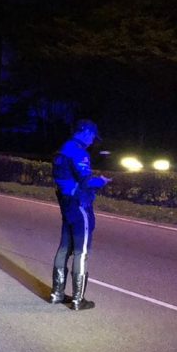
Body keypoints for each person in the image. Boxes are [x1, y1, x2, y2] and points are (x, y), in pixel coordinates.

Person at [49, 119, 111, 311]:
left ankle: (57, 294)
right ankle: (78, 299)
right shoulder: (78, 151)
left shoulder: (62, 150)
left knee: (64, 248)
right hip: (80, 205)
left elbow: (62, 180)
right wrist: (101, 181)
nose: (92, 141)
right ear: (84, 132)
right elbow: (86, 182)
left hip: (66, 204)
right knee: (81, 252)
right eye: (92, 136)